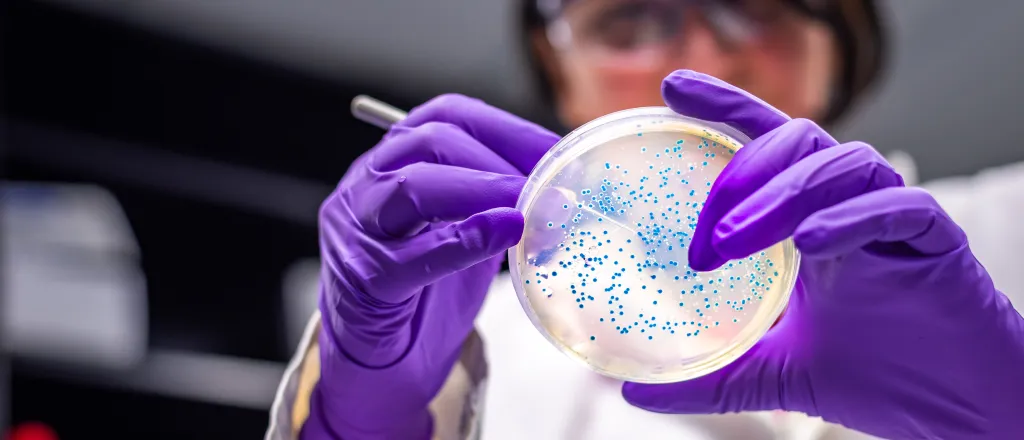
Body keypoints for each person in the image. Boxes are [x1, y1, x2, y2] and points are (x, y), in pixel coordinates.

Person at [266, 1, 1024, 439]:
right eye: (630, 21)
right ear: (557, 66)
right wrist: (364, 416)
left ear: (841, 46)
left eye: (752, 7)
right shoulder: (483, 337)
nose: (700, 58)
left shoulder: (1011, 225)